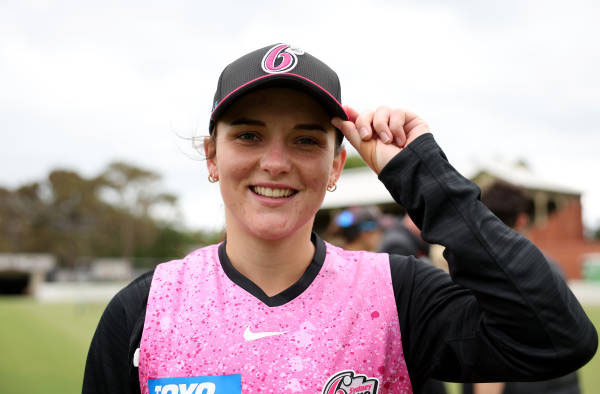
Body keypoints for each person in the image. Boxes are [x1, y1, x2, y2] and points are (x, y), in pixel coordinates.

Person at [83, 43, 597, 394]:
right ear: (212, 155)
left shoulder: (398, 294)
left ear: (335, 165)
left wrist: (424, 175)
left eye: (306, 139)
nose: (276, 162)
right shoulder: (144, 309)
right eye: (249, 135)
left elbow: (555, 338)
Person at [464, 181, 582, 394]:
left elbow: (492, 363)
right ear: (522, 220)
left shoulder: (487, 270)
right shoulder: (550, 266)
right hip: (561, 383)